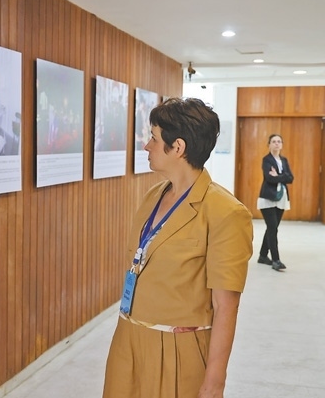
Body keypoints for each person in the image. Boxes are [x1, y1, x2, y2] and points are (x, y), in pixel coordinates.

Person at [102, 97, 253, 398]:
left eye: (154, 138)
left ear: (178, 147)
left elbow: (226, 306)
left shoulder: (226, 213)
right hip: (128, 339)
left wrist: (215, 381)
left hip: (178, 350)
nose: (147, 146)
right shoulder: (153, 196)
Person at [257, 134, 294, 271]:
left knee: (271, 228)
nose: (277, 144)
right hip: (268, 198)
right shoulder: (266, 160)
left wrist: (278, 176)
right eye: (274, 141)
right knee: (273, 228)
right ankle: (276, 260)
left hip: (281, 198)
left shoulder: (284, 160)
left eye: (279, 141)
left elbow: (291, 178)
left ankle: (262, 256)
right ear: (269, 145)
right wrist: (282, 177)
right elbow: (269, 178)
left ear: (282, 145)